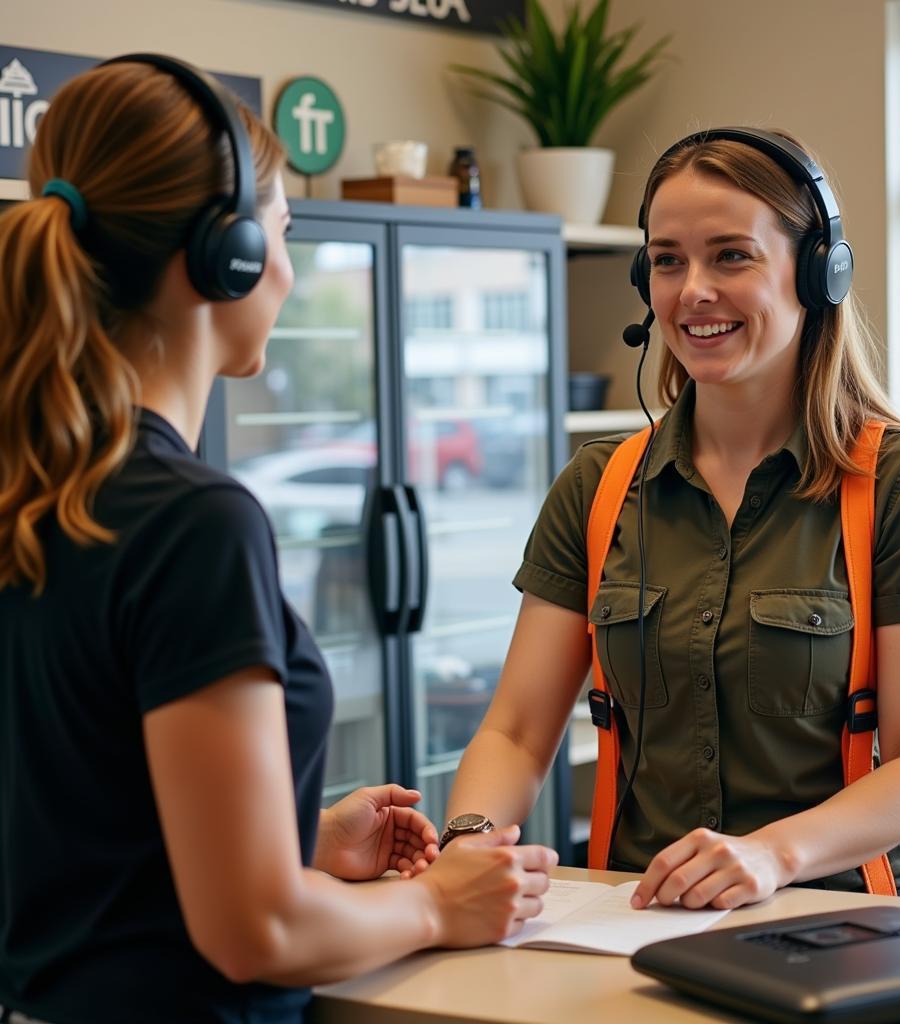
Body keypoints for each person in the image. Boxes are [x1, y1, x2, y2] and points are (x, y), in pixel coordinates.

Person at [0, 55, 556, 1024]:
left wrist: (296, 849)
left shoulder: (38, 492)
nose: (291, 272)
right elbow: (251, 930)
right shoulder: (191, 522)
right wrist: (436, 901)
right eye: (286, 233)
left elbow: (83, 834)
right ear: (229, 256)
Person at [444, 127, 900, 910]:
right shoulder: (599, 486)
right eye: (667, 259)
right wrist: (470, 843)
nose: (691, 289)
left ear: (816, 273)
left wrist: (771, 855)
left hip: (844, 913)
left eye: (731, 255)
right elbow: (517, 731)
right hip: (633, 917)